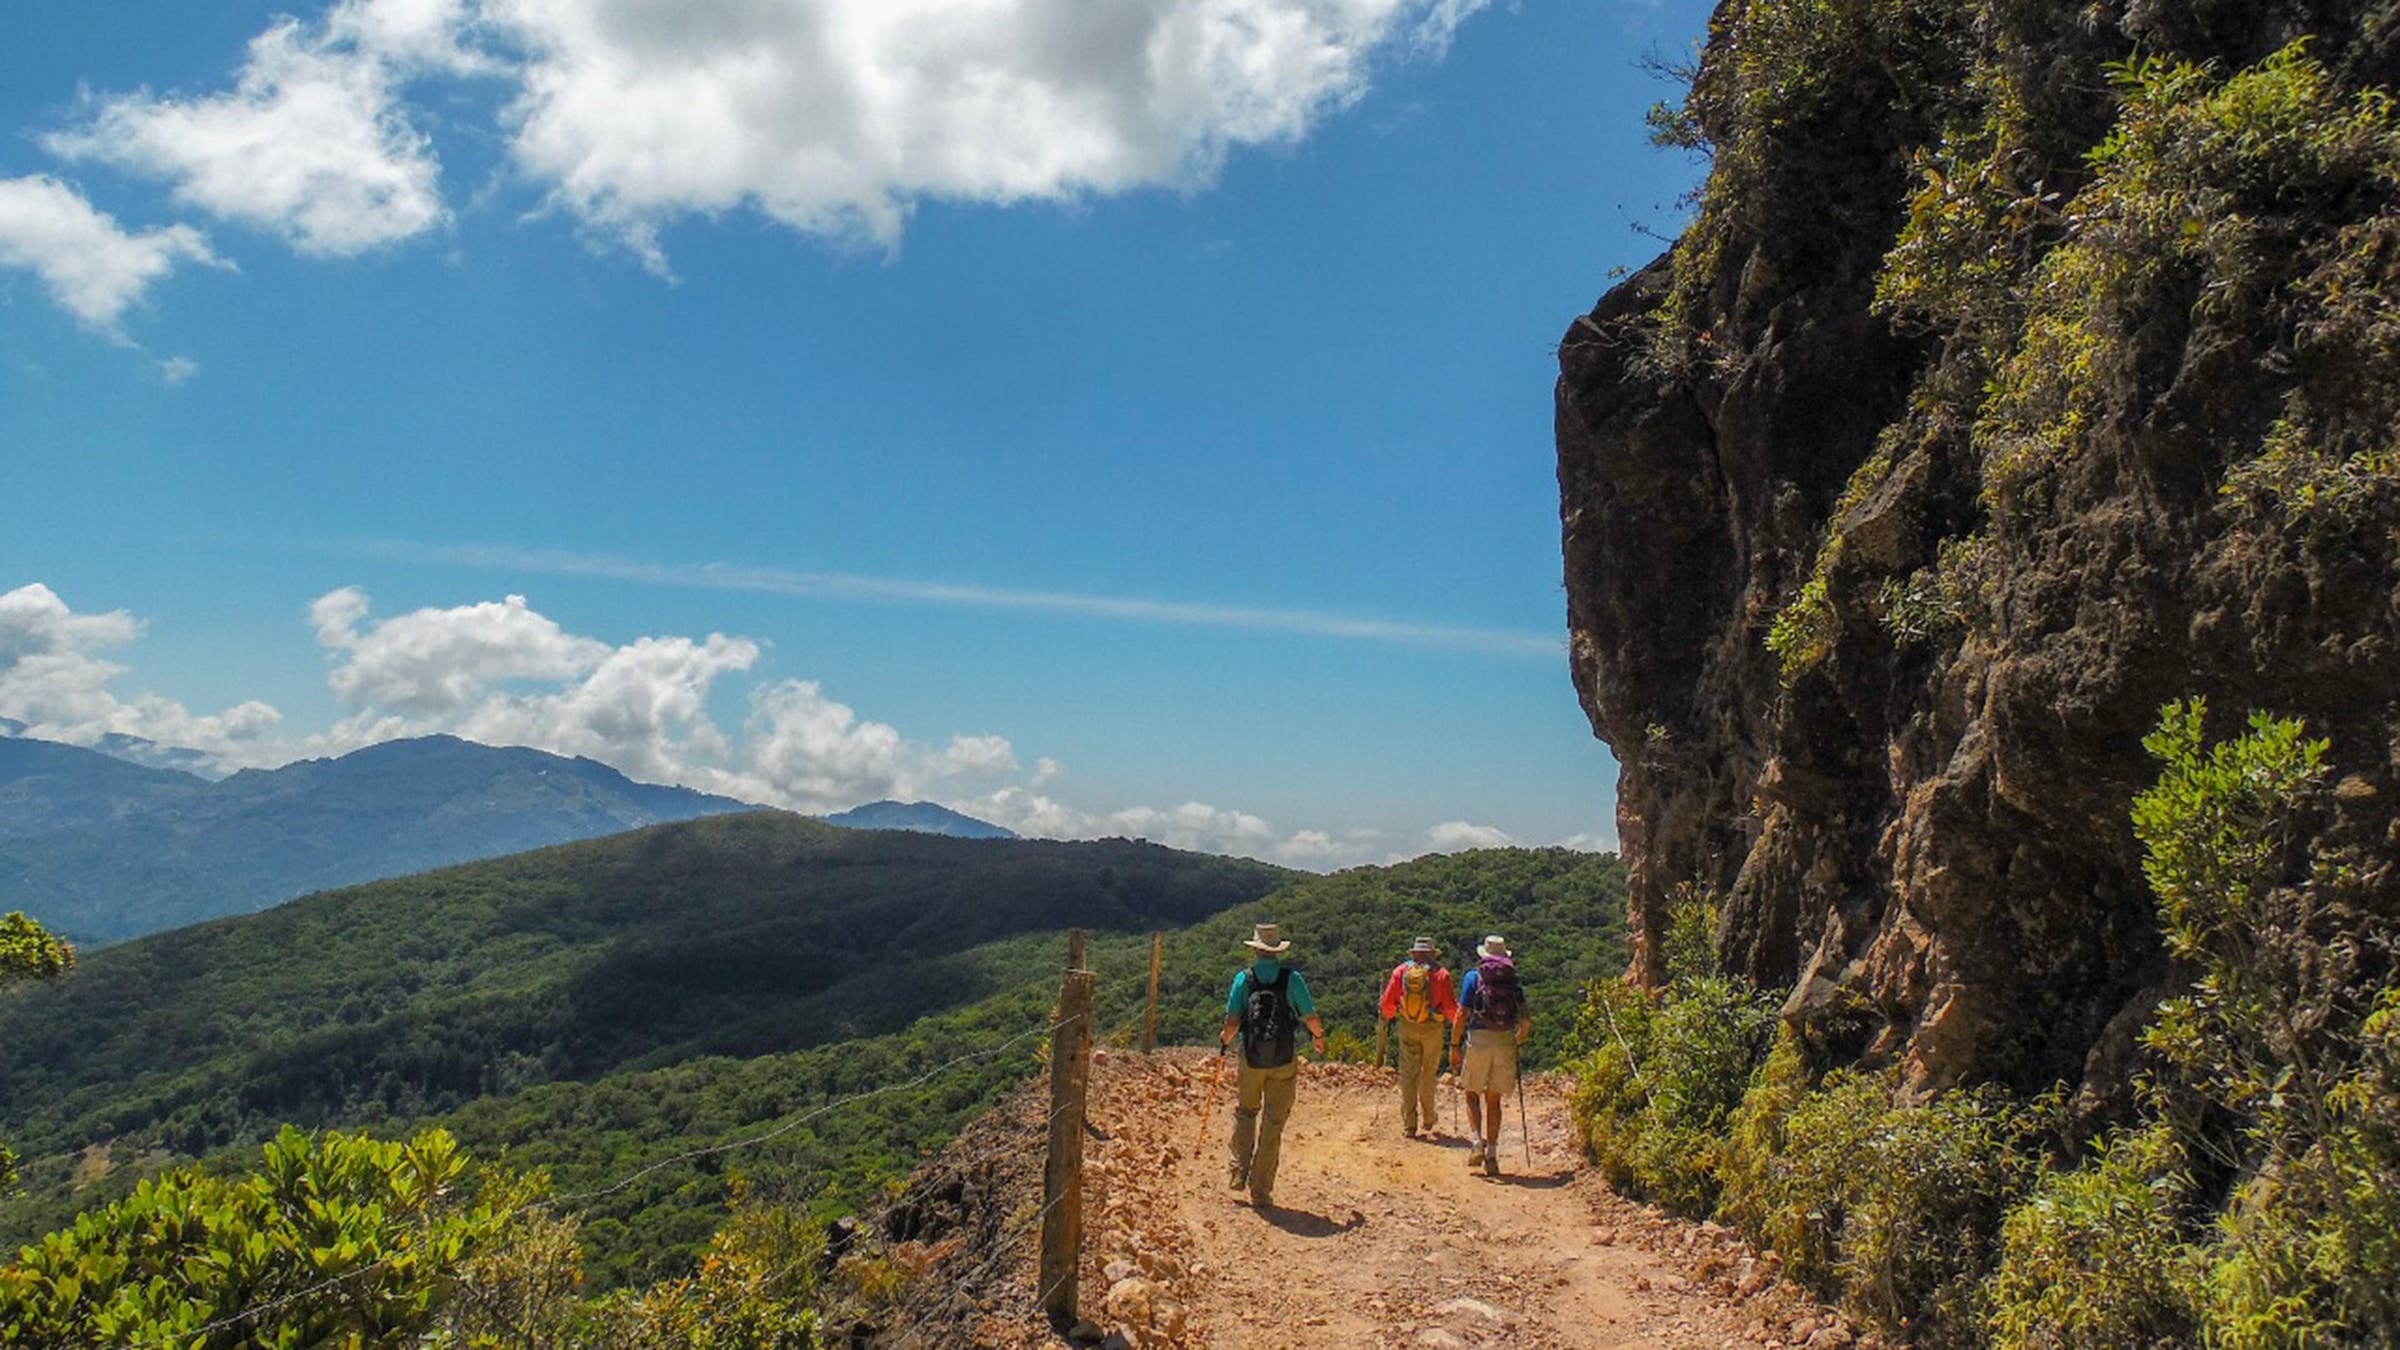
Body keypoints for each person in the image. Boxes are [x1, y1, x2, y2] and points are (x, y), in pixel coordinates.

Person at [1219, 922, 1327, 1209]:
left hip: (1251, 1056)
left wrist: (1225, 1040)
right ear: (1277, 950)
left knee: (1245, 1112)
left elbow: (1232, 1022)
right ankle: (1261, 1189)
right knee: (1274, 1122)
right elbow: (1310, 1015)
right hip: (1283, 1058)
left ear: (1255, 949)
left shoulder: (1244, 979)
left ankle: (1239, 1170)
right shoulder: (1292, 978)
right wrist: (1319, 1037)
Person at [1449, 933, 1530, 1176]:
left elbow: (1462, 1013)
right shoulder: (1513, 981)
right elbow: (1525, 1021)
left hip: (1479, 1038)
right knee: (1493, 1099)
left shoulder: (1474, 977)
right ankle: (1492, 1153)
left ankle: (1476, 1142)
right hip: (1504, 1038)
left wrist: (1454, 1045)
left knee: (1471, 1091)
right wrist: (1517, 1039)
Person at [1377, 936, 1458, 1139]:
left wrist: (1392, 1015)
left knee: (1409, 1074)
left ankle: (1409, 1124)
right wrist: (1458, 1026)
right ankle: (1429, 1118)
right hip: (1432, 1028)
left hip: (1408, 1025)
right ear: (1432, 954)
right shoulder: (1441, 974)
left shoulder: (1400, 972)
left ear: (1414, 953)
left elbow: (1387, 1005)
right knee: (1428, 1073)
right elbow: (1450, 1008)